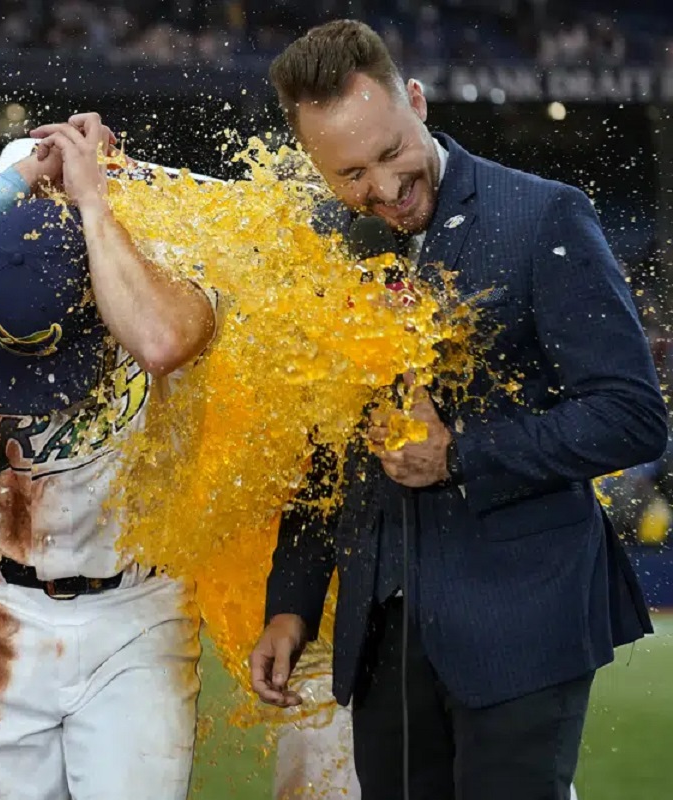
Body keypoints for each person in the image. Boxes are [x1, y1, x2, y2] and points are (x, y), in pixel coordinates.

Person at [247, 19, 666, 800]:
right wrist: (290, 606)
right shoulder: (328, 248)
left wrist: (462, 454)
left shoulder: (544, 216)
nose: (382, 186)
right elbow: (327, 449)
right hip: (384, 642)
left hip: (523, 620)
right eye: (350, 175)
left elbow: (632, 416)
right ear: (316, 168)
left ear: (416, 100)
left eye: (390, 152)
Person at [0, 113, 218, 799]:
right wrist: (22, 177)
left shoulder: (165, 239)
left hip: (136, 610)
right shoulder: (5, 232)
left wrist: (95, 201)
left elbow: (160, 341)